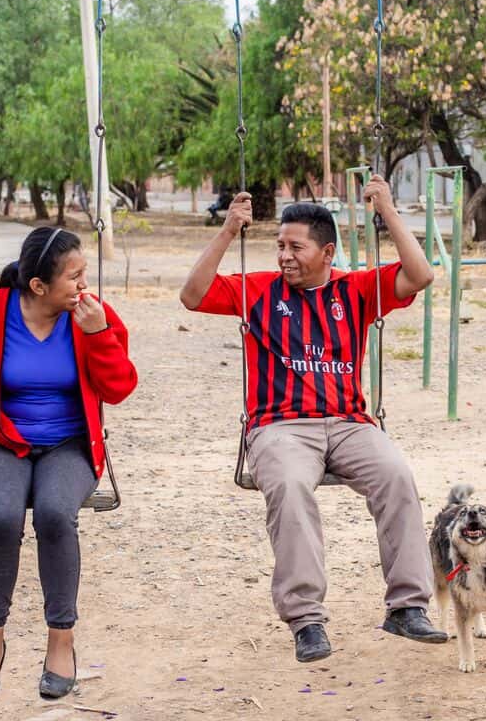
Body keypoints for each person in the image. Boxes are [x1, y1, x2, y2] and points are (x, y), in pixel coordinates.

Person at [180, 179, 448, 663]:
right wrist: (226, 232)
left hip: (349, 423)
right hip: (279, 426)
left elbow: (422, 274)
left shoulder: (357, 289)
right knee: (288, 486)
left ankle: (407, 606)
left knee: (396, 475)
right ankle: (306, 618)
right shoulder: (259, 290)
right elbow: (192, 295)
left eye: (295, 247)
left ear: (327, 252)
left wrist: (386, 211)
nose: (284, 255)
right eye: (279, 245)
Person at [0, 226, 138, 704]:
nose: (84, 286)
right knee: (1, 516)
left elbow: (121, 387)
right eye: (74, 276)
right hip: (0, 441)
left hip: (69, 444)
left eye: (85, 273)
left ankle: (60, 640)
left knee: (54, 514)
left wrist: (98, 334)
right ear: (38, 286)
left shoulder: (90, 316)